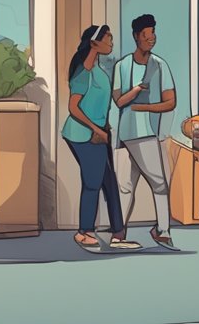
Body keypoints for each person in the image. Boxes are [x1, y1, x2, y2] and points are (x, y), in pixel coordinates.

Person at [62, 25, 142, 252]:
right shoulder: (82, 73)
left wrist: (104, 131)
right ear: (94, 43)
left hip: (100, 134)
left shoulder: (100, 71)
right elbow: (73, 108)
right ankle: (84, 232)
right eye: (108, 39)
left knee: (109, 182)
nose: (112, 43)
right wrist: (95, 129)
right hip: (81, 134)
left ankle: (118, 234)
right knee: (93, 182)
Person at [111, 13, 176, 249]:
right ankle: (159, 232)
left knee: (143, 185)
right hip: (127, 134)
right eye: (146, 35)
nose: (151, 39)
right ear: (136, 37)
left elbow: (170, 102)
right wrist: (138, 90)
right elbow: (118, 101)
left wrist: (145, 107)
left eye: (153, 34)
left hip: (147, 131)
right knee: (145, 185)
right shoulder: (122, 66)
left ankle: (155, 231)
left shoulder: (160, 65)